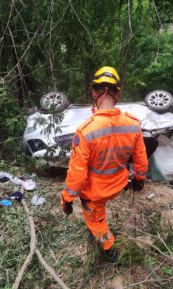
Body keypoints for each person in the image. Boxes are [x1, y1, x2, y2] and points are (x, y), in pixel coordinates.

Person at [61, 66, 148, 260]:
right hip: (119, 184)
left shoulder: (86, 130)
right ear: (117, 93)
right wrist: (139, 179)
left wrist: (67, 198)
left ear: (94, 91)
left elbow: (77, 174)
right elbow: (140, 158)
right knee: (99, 207)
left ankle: (109, 249)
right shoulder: (133, 123)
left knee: (96, 220)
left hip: (96, 194)